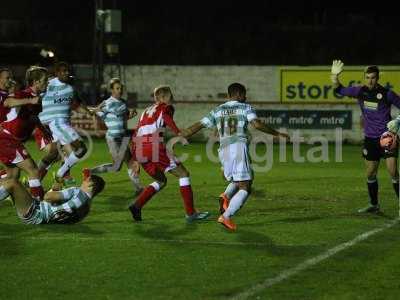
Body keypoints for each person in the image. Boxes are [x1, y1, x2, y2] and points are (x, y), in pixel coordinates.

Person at [181, 82, 290, 231]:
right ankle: (226, 216)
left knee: (237, 179)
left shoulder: (217, 110)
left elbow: (200, 124)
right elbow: (256, 124)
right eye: (244, 94)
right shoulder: (245, 107)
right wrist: (277, 134)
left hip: (223, 149)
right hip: (237, 146)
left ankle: (225, 196)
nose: (245, 97)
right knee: (246, 185)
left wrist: (184, 133)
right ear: (238, 94)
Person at [128, 85, 209, 223]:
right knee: (183, 174)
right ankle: (191, 214)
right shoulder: (166, 107)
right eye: (171, 96)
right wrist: (178, 132)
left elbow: (136, 132)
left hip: (140, 149)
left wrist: (135, 159)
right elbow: (166, 117)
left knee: (161, 180)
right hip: (153, 146)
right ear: (163, 98)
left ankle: (137, 206)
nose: (173, 99)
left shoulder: (145, 111)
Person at [331, 60, 400, 213]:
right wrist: (334, 77)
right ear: (364, 77)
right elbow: (339, 90)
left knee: (393, 171)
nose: (370, 80)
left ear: (378, 78)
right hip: (370, 139)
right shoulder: (359, 91)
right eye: (367, 77)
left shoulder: (387, 94)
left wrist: (397, 121)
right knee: (370, 173)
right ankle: (374, 205)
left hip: (387, 137)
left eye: (373, 77)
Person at [38, 62, 94, 186]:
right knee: (81, 149)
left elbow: (78, 103)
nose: (66, 73)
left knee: (54, 154)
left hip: (58, 124)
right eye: (63, 71)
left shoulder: (71, 87)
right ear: (57, 73)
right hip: (53, 123)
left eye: (67, 70)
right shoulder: (49, 84)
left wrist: (90, 112)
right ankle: (60, 174)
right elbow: (35, 93)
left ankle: (34, 180)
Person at [0, 66, 51, 200]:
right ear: (36, 82)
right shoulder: (24, 94)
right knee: (32, 169)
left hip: (12, 140)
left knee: (13, 178)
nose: (48, 83)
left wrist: (42, 128)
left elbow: (33, 116)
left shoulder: (37, 99)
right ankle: (38, 205)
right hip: (7, 139)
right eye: (45, 80)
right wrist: (29, 100)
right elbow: (8, 102)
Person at [88, 78, 142, 194]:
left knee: (128, 162)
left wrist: (131, 115)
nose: (120, 90)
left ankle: (138, 189)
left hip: (122, 136)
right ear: (111, 90)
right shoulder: (107, 103)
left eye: (121, 88)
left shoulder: (123, 102)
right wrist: (96, 129)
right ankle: (90, 172)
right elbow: (94, 113)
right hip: (113, 138)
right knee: (117, 166)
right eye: (117, 88)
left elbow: (121, 119)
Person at [0, 171, 105, 224]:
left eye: (86, 181)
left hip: (34, 212)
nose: (83, 182)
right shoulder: (86, 209)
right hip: (41, 220)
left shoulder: (77, 191)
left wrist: (54, 189)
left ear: (91, 185)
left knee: (11, 182)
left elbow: (47, 197)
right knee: (17, 186)